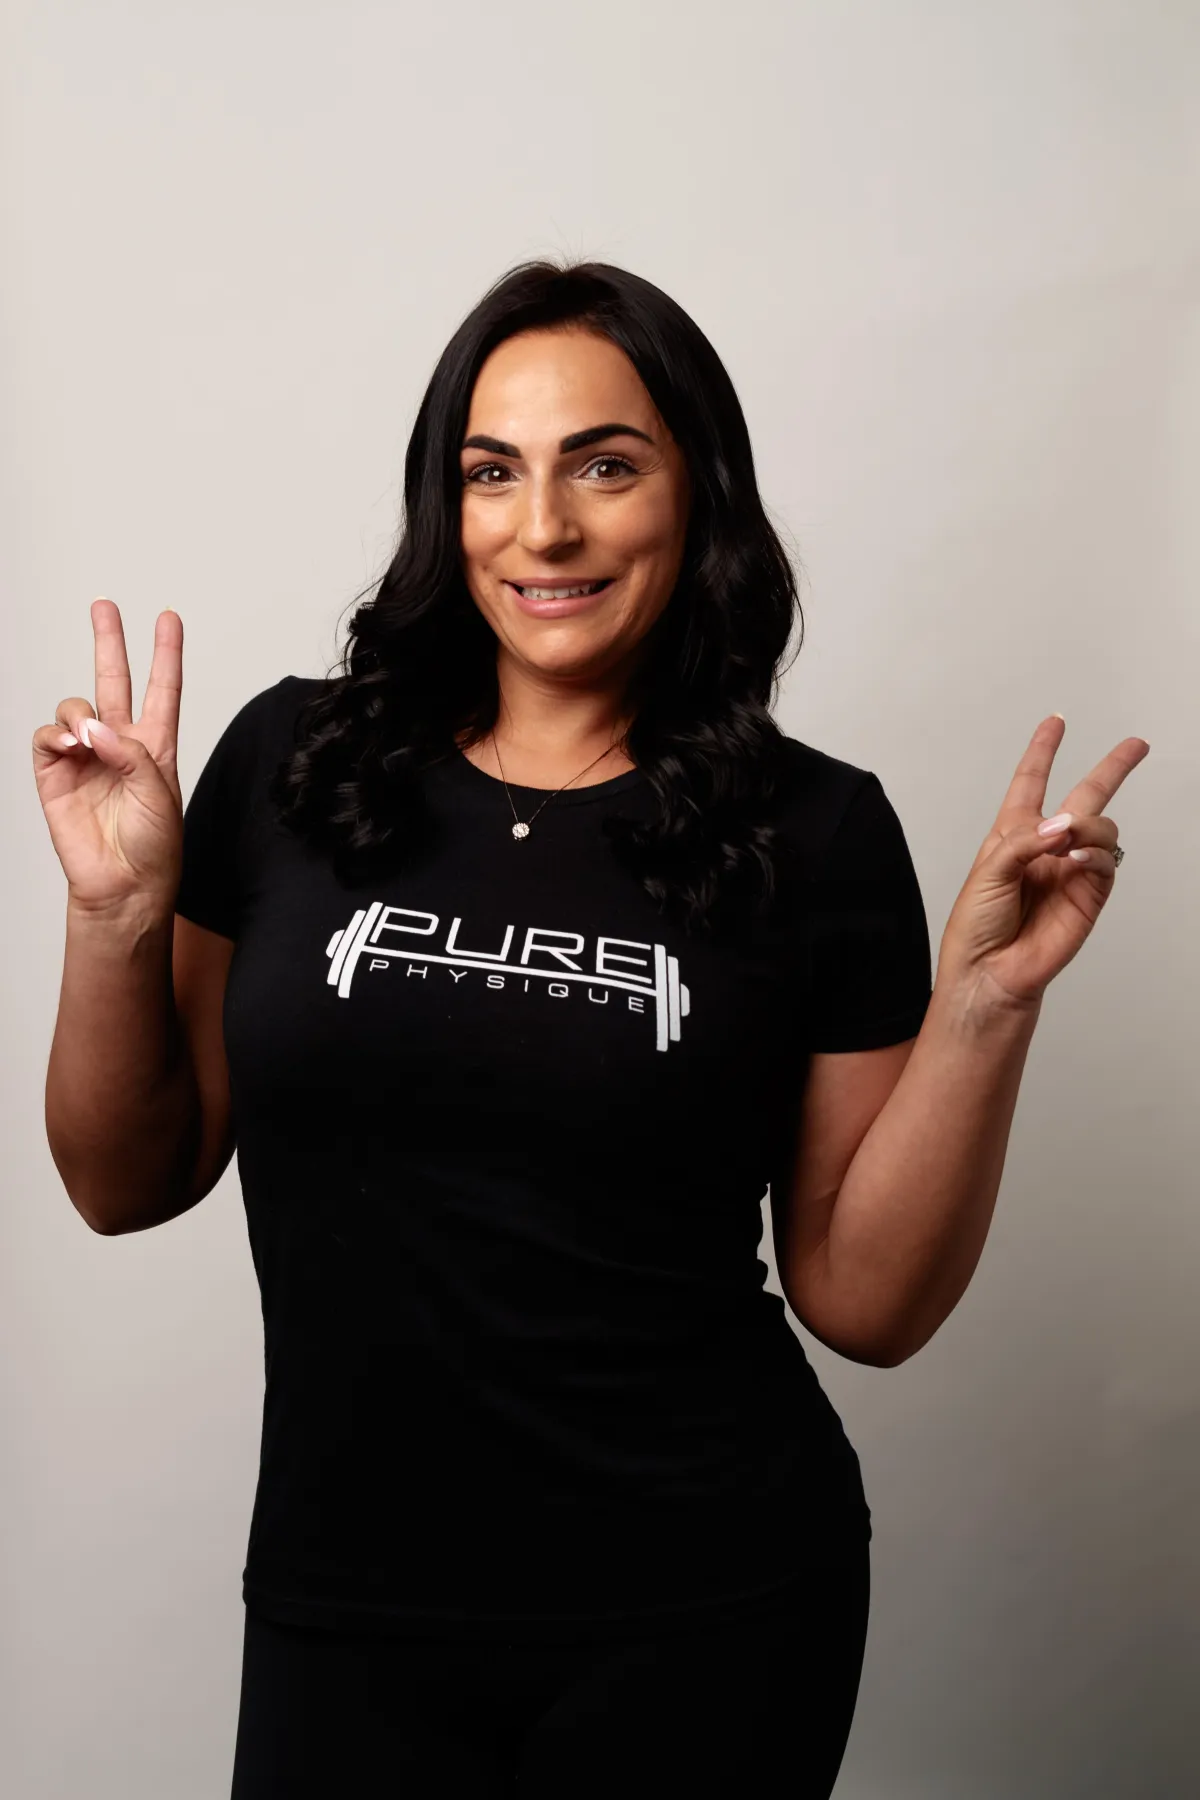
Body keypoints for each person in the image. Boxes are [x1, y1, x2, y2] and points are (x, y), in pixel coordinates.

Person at [33, 259, 1146, 1798]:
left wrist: (984, 1011)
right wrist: (114, 918)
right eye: (492, 473)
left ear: (698, 494)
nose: (542, 528)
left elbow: (865, 1303)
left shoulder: (814, 831)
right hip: (347, 1601)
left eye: (604, 466)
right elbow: (123, 1180)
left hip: (707, 1611)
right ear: (447, 506)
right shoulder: (295, 767)